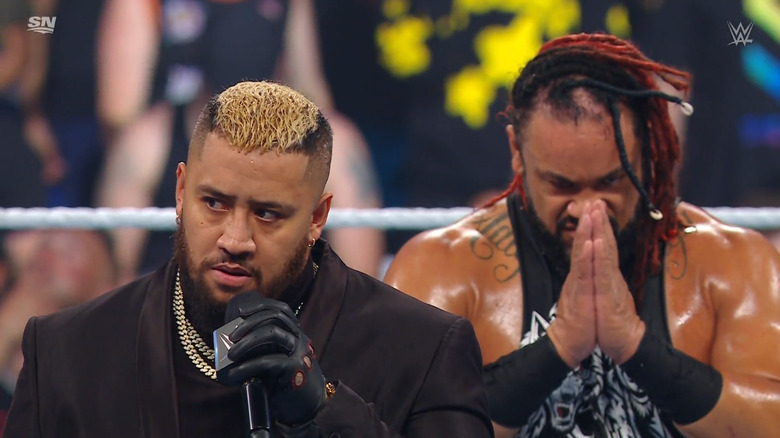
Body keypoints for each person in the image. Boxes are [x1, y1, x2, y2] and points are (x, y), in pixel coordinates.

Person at [3, 81, 493, 438]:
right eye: (213, 203)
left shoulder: (423, 348)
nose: (235, 238)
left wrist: (323, 408)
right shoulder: (68, 351)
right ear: (179, 190)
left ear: (318, 216)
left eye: (267, 214)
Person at [385, 33, 780, 437]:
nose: (588, 209)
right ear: (517, 152)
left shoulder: (730, 260)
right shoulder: (445, 268)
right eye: (562, 185)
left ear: (645, 151)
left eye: (611, 181)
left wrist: (636, 348)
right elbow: (401, 426)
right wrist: (556, 349)